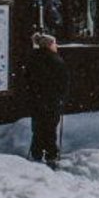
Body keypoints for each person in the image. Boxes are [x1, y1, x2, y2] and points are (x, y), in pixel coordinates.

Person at [23, 31, 70, 169]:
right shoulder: (56, 60)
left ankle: (36, 153)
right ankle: (51, 155)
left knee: (38, 127)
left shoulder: (32, 59)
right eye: (55, 43)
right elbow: (63, 81)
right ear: (50, 45)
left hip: (36, 99)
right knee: (50, 128)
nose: (57, 46)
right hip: (51, 100)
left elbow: (28, 79)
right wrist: (62, 96)